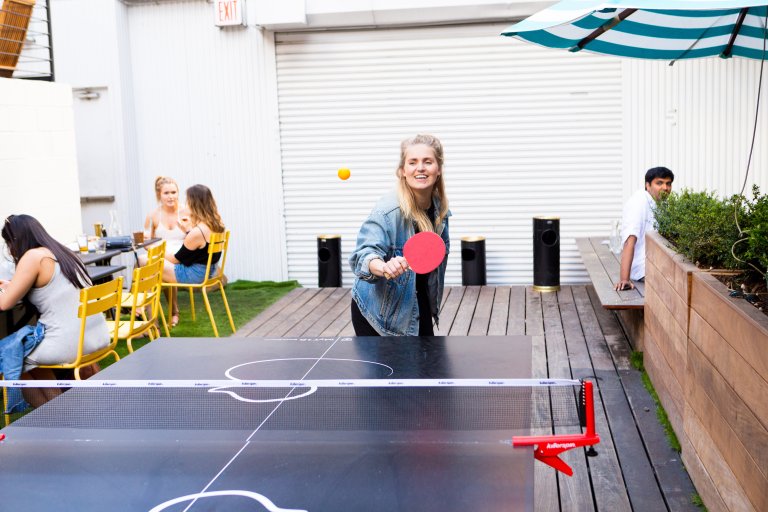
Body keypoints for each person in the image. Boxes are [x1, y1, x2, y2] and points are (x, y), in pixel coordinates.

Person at [0, 214, 110, 411]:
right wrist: (13, 285)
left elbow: (4, 304)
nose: (9, 250)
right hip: (95, 334)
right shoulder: (62, 251)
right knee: (28, 352)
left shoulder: (32, 256)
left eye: (8, 243)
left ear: (16, 240)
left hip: (70, 343)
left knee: (13, 357)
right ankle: (73, 405)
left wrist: (8, 290)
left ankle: (55, 412)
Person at [349, 134, 451, 336]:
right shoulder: (387, 211)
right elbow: (363, 254)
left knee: (426, 366)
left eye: (427, 162)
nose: (420, 168)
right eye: (412, 162)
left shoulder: (440, 210)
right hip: (378, 316)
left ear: (438, 169)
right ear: (403, 171)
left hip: (414, 303)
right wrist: (383, 266)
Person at [615, 167, 675, 291]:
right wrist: (624, 280)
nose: (665, 188)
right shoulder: (639, 202)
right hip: (643, 270)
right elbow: (629, 240)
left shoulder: (660, 204)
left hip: (657, 266)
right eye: (659, 183)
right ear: (647, 185)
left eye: (668, 184)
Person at [162, 184, 225, 287]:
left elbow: (175, 260)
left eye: (188, 201)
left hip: (194, 275)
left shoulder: (198, 231)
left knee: (147, 262)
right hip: (210, 272)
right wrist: (187, 232)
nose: (186, 204)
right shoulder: (216, 224)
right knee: (151, 263)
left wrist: (157, 250)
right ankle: (170, 304)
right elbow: (201, 252)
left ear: (194, 203)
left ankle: (137, 300)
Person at [143, 176, 185, 326]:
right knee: (145, 263)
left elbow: (194, 238)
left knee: (149, 265)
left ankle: (145, 311)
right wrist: (149, 244)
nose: (171, 196)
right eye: (166, 193)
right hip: (160, 254)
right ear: (159, 195)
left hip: (180, 258)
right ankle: (152, 319)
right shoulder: (153, 215)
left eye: (174, 192)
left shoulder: (186, 213)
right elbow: (146, 242)